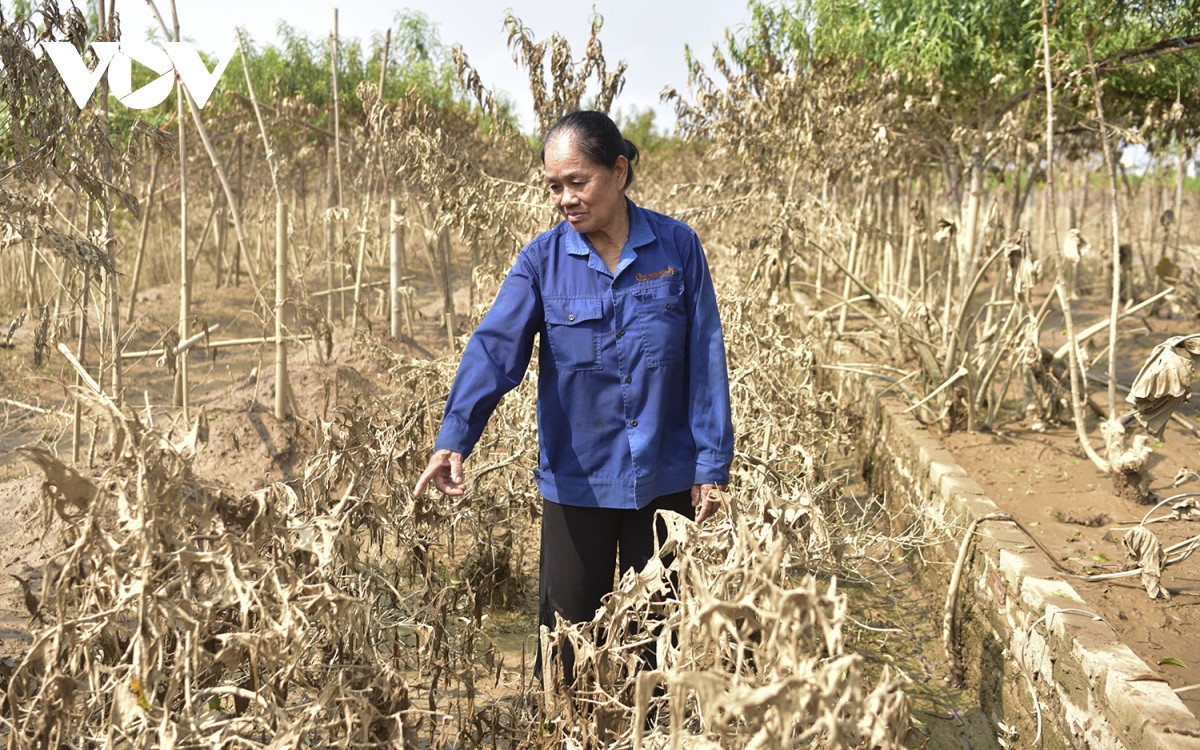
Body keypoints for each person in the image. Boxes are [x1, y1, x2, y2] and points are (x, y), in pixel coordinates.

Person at [412, 110, 734, 680]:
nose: (565, 198)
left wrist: (711, 465)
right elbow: (494, 350)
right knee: (564, 647)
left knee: (657, 643)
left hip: (666, 479)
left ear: (618, 171)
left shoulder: (677, 249)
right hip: (578, 481)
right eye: (554, 187)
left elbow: (706, 357)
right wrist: (454, 438)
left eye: (576, 181)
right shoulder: (541, 262)